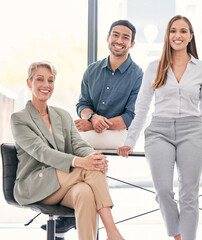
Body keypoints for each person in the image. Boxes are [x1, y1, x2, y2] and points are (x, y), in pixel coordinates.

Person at [117, 15, 202, 240]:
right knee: (162, 191)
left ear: (190, 36)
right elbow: (141, 109)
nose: (177, 35)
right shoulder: (154, 67)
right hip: (159, 132)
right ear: (167, 36)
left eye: (183, 31)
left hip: (192, 131)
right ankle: (177, 235)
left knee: (189, 194)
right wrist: (129, 142)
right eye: (173, 31)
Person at [11, 61, 125, 240]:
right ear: (29, 83)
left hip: (61, 185)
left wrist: (94, 156)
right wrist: (84, 162)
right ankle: (112, 232)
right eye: (40, 79)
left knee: (85, 193)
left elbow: (78, 144)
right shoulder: (19, 119)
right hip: (35, 184)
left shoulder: (62, 115)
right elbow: (43, 152)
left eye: (50, 80)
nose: (46, 85)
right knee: (90, 168)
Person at [75, 19, 143, 149]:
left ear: (132, 44)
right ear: (108, 38)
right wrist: (93, 118)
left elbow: (130, 116)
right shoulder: (92, 70)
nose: (119, 41)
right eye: (115, 35)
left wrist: (92, 124)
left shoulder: (138, 75)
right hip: (91, 127)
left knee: (72, 143)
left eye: (125, 37)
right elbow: (82, 104)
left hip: (118, 131)